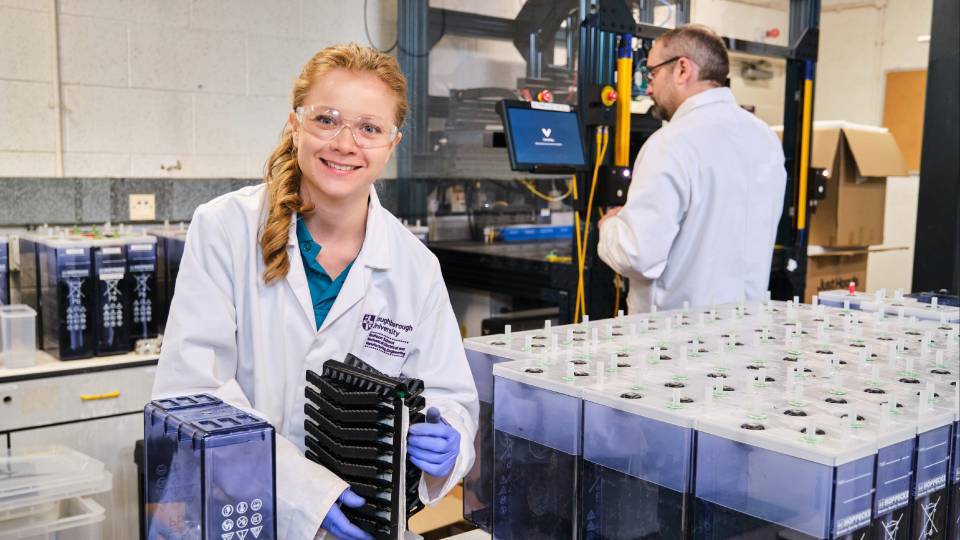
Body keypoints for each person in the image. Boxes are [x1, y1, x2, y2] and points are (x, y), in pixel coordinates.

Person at [152, 44, 479, 540]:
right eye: (327, 120)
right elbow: (194, 391)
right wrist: (306, 497)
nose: (346, 143)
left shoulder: (415, 267)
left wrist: (450, 436)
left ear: (392, 143)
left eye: (369, 128)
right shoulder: (225, 228)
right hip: (238, 513)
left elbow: (449, 394)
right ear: (295, 125)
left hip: (365, 521)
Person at [598, 24, 786, 312]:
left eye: (652, 73)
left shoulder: (670, 143)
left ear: (682, 69)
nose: (648, 87)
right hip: (746, 326)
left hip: (675, 334)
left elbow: (638, 256)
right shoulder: (765, 138)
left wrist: (610, 226)